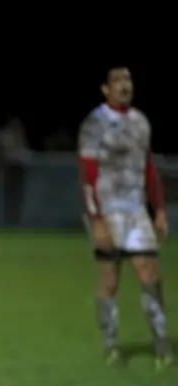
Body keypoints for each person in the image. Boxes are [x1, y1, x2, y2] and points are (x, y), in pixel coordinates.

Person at [79, 65, 172, 368]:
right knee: (110, 279)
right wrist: (97, 218)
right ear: (105, 89)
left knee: (151, 276)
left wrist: (158, 209)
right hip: (107, 211)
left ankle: (162, 348)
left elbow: (148, 167)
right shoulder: (95, 123)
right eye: (117, 81)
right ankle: (111, 347)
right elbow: (88, 172)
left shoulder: (140, 122)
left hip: (135, 210)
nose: (124, 85)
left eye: (128, 80)